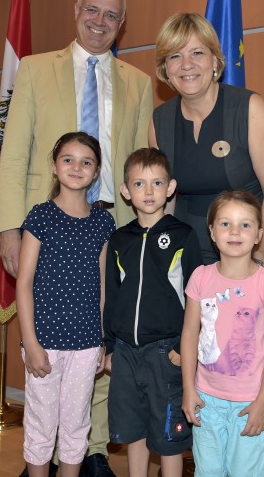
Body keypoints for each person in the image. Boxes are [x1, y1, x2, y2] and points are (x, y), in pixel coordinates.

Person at [0, 0, 153, 477]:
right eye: (93, 10)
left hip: (114, 227)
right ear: (76, 9)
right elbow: (15, 152)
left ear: (121, 24)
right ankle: (40, 453)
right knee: (47, 340)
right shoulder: (36, 70)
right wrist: (8, 227)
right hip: (49, 223)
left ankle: (92, 450)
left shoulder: (140, 82)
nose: (100, 22)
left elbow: (140, 159)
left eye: (111, 15)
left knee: (99, 341)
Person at [149, 12, 264, 273]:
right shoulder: (159, 121)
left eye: (197, 53)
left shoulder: (248, 108)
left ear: (215, 59)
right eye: (175, 56)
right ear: (165, 68)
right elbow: (164, 199)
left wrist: (259, 262)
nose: (186, 64)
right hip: (185, 253)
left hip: (246, 250)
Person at [16, 132, 116, 477]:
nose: (77, 167)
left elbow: (103, 285)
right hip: (44, 342)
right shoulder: (41, 216)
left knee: (76, 425)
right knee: (42, 424)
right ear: (55, 167)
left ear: (97, 171)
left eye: (86, 161)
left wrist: (103, 340)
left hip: (87, 345)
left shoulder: (103, 223)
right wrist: (30, 342)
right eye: (68, 159)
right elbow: (24, 283)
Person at [103, 148, 203, 477]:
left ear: (170, 188)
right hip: (127, 354)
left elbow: (196, 299)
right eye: (140, 184)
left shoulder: (183, 237)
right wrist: (110, 346)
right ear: (125, 190)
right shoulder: (119, 240)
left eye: (157, 183)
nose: (148, 192)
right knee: (134, 430)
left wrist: (181, 348)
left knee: (168, 436)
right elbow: (113, 297)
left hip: (166, 352)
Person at [181, 190, 264, 477]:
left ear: (259, 234)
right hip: (206, 400)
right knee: (208, 471)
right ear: (212, 232)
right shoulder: (201, 277)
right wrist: (189, 390)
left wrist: (263, 401)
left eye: (245, 224)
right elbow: (190, 335)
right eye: (225, 223)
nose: (235, 231)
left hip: (250, 401)